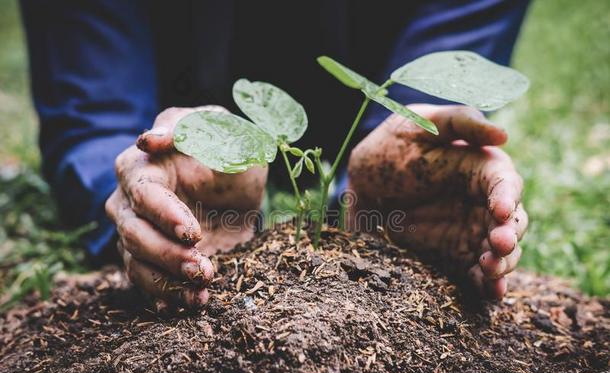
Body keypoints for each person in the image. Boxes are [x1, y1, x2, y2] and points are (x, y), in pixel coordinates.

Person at [20, 0, 530, 307]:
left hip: (370, 156)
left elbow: (427, 105)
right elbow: (94, 118)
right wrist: (139, 192)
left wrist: (408, 172)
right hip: (177, 138)